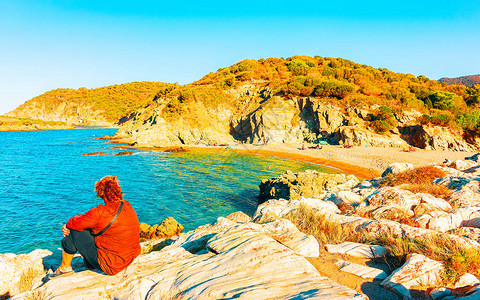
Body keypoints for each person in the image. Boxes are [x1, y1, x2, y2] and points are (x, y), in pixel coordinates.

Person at [52, 176, 141, 277]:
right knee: (89, 229)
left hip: (112, 265)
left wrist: (67, 225)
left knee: (73, 232)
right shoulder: (126, 205)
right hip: (130, 257)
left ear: (100, 193)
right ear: (118, 190)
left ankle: (64, 268)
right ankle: (88, 264)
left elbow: (75, 223)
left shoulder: (100, 213)